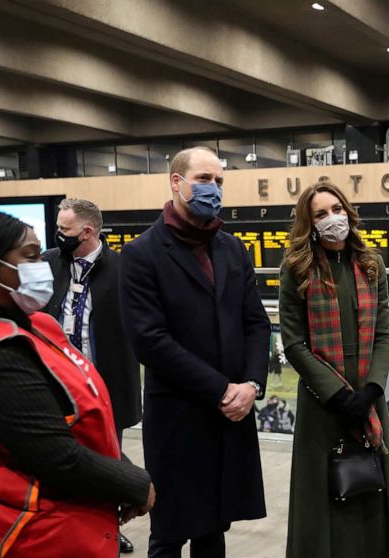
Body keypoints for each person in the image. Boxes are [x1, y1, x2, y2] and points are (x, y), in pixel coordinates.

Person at [0, 209, 154, 557]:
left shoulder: (37, 326)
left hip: (68, 530)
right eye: (30, 256)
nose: (43, 265)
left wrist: (120, 470)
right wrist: (136, 484)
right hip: (18, 537)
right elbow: (57, 458)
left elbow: (77, 421)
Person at [119, 146, 272, 558]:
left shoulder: (231, 249)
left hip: (230, 414)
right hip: (179, 416)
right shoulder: (141, 254)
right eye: (204, 180)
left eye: (219, 181)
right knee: (169, 531)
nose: (213, 188)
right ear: (176, 182)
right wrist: (222, 389)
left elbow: (256, 322)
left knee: (213, 529)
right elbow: (150, 340)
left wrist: (252, 385)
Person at [279, 181, 389, 558]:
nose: (331, 219)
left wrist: (371, 390)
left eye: (336, 209)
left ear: (348, 211)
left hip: (369, 400)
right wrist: (338, 396)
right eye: (320, 214)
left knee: (374, 491)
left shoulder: (372, 264)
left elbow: (384, 333)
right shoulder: (296, 269)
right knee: (322, 499)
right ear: (310, 222)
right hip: (324, 403)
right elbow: (293, 342)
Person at [42, 198, 142, 553]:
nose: (58, 235)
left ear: (87, 232)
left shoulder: (123, 268)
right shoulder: (48, 262)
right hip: (54, 383)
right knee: (58, 457)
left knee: (106, 459)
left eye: (65, 230)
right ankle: (63, 525)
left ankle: (109, 526)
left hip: (104, 385)